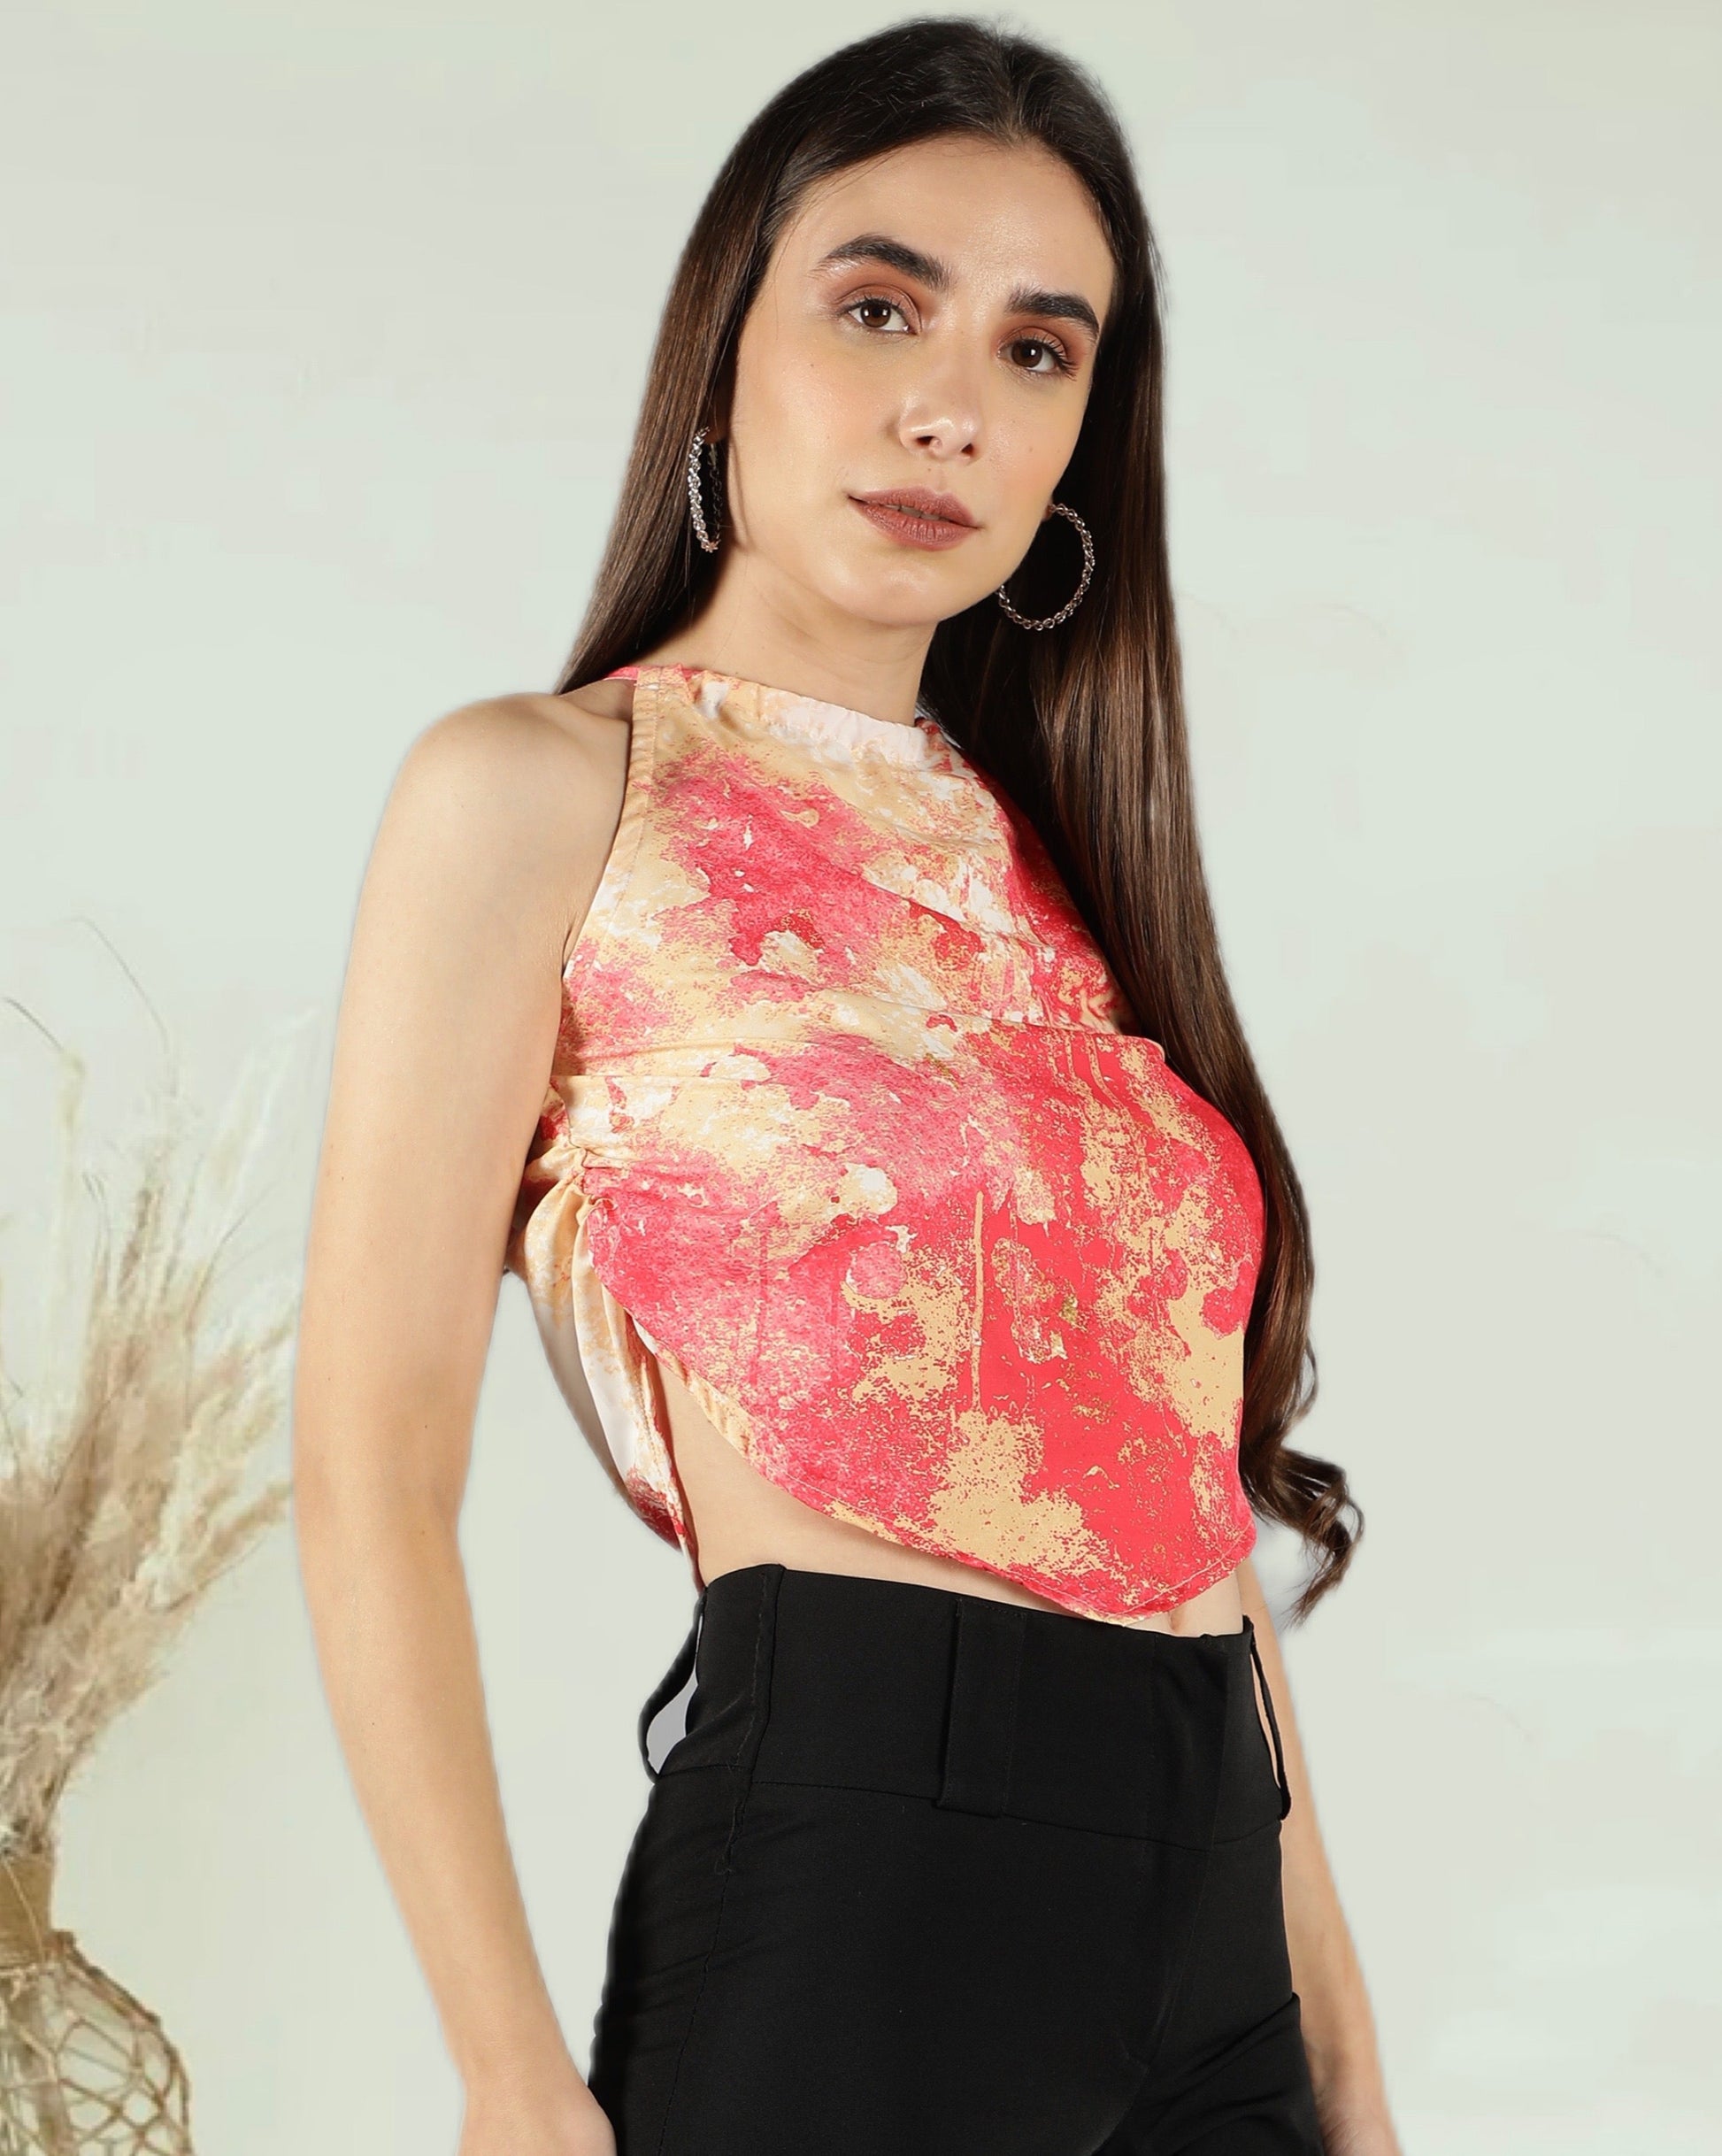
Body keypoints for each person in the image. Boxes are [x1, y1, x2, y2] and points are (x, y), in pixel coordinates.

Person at [291, 19, 1402, 2156]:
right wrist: (509, 2072)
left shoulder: (1065, 877)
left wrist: (1339, 2058)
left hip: (1216, 1921)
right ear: (723, 351)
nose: (947, 407)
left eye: (1035, 351)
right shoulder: (537, 792)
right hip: (872, 1874)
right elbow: (369, 1470)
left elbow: (1178, 1502)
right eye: (880, 307)